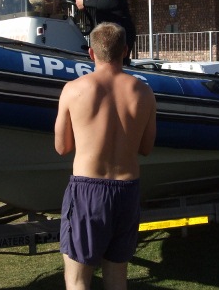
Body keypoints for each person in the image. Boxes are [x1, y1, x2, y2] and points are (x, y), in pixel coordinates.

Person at [54, 22, 157, 290]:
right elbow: (146, 148)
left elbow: (62, 147)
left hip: (88, 190)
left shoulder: (73, 89)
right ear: (125, 51)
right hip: (127, 190)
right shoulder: (144, 92)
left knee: (78, 279)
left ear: (91, 53)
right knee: (116, 276)